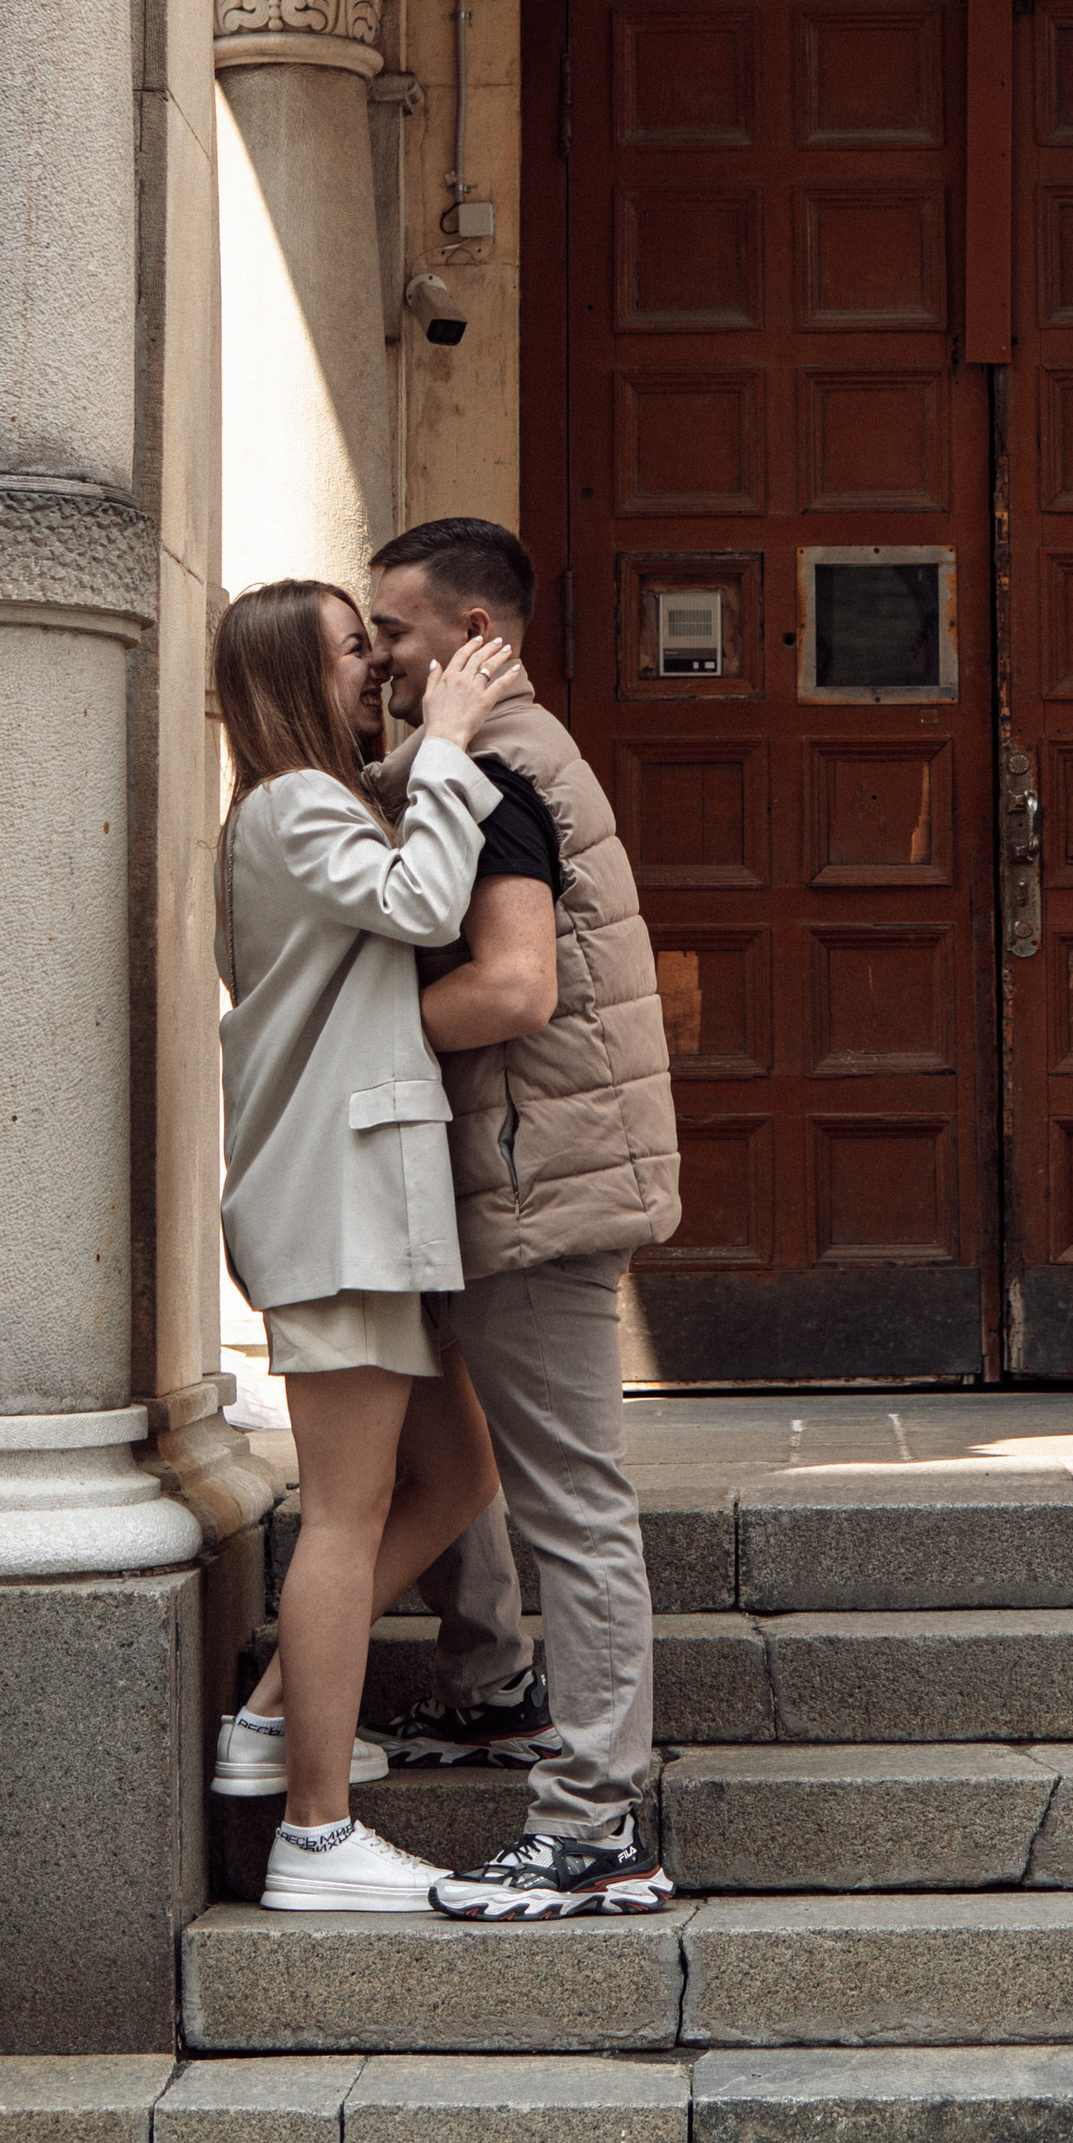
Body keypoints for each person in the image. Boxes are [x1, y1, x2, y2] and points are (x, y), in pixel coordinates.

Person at [362, 516, 683, 1919]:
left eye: (394, 631)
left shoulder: (497, 773)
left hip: (539, 1184)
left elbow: (512, 991)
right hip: (512, 1165)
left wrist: (342, 1043)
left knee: (574, 1498)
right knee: (455, 1443)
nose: (375, 656)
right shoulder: (489, 759)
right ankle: (491, 1684)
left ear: (473, 640)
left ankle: (596, 1821)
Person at [209, 574, 519, 1913]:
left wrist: (426, 751)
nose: (376, 673)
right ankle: (316, 1836)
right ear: (293, 680)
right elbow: (420, 899)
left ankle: (280, 1712)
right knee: (344, 1515)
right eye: (350, 653)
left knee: (453, 1478)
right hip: (334, 1208)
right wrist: (446, 745)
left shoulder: (301, 807)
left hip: (365, 1203)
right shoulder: (289, 809)